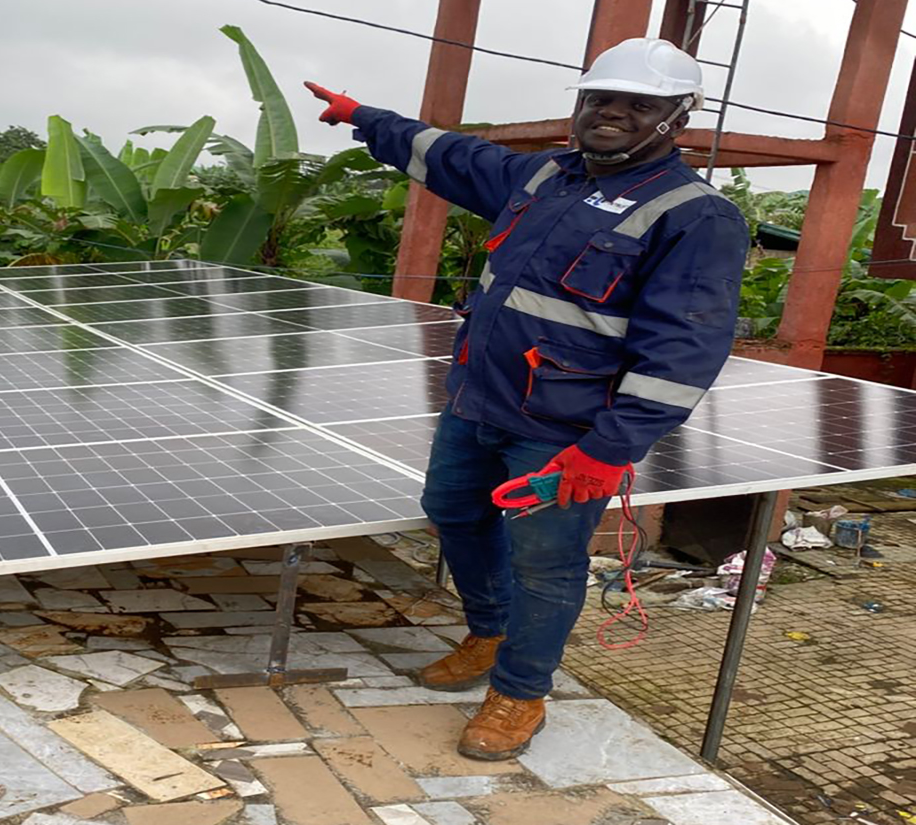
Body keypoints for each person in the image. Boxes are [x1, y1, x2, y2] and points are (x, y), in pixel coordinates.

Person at [305, 37, 749, 760]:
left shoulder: (694, 217)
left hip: (564, 432)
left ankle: (520, 693)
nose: (610, 113)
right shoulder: (544, 176)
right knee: (449, 509)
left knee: (546, 562)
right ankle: (489, 631)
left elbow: (685, 350)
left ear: (677, 120)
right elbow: (450, 155)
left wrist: (608, 449)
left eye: (638, 105)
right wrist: (363, 116)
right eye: (599, 99)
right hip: (479, 401)